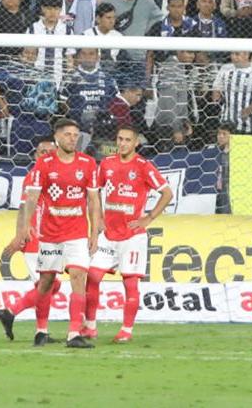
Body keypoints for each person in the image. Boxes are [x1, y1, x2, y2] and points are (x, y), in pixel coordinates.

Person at [8, 118, 101, 348]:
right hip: (50, 234)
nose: (72, 139)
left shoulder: (88, 163)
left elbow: (93, 200)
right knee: (46, 282)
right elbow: (32, 197)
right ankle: (40, 330)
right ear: (57, 137)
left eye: (76, 135)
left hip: (77, 232)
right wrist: (26, 226)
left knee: (78, 277)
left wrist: (94, 233)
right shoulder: (45, 164)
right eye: (68, 134)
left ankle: (74, 334)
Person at [82, 125, 174, 343]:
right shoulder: (107, 163)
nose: (122, 144)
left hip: (133, 236)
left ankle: (126, 330)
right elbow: (94, 193)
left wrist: (148, 218)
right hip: (108, 234)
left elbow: (167, 193)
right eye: (120, 139)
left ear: (136, 143)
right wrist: (99, 218)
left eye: (127, 140)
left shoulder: (144, 166)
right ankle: (90, 327)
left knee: (130, 283)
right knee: (92, 277)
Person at [0, 135, 62, 341]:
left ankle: (38, 330)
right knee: (49, 284)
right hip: (36, 239)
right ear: (35, 155)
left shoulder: (58, 175)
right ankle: (15, 314)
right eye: (43, 152)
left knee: (49, 285)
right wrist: (20, 236)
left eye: (51, 152)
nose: (47, 156)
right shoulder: (34, 176)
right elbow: (24, 208)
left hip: (52, 237)